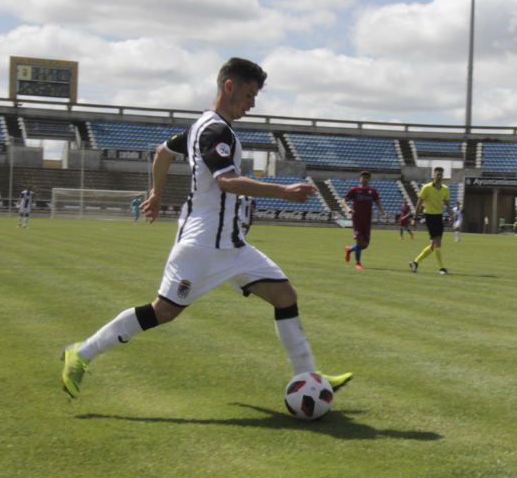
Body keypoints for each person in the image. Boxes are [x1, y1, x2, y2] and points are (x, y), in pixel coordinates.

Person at [60, 58, 352, 399]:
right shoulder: (215, 131)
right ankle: (80, 354)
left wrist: (156, 193)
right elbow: (226, 182)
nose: (252, 103)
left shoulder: (201, 127)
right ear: (229, 87)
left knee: (285, 296)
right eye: (249, 94)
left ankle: (308, 378)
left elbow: (161, 153)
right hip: (201, 244)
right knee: (163, 311)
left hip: (231, 244)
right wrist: (283, 191)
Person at [409, 167, 454, 275]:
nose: (438, 176)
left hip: (439, 216)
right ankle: (441, 268)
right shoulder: (426, 188)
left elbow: (446, 204)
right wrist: (415, 218)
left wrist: (451, 214)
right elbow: (419, 204)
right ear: (433, 175)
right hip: (429, 216)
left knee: (434, 245)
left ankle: (415, 262)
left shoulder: (445, 189)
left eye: (440, 175)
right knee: (438, 241)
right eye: (437, 174)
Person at [340, 171, 386, 270]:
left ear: (369, 179)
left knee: (365, 245)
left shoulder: (372, 191)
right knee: (360, 241)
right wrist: (348, 208)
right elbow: (343, 200)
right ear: (360, 179)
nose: (365, 179)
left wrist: (383, 212)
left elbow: (377, 202)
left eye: (367, 178)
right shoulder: (354, 190)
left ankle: (349, 249)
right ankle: (358, 263)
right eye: (363, 177)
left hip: (367, 220)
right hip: (357, 219)